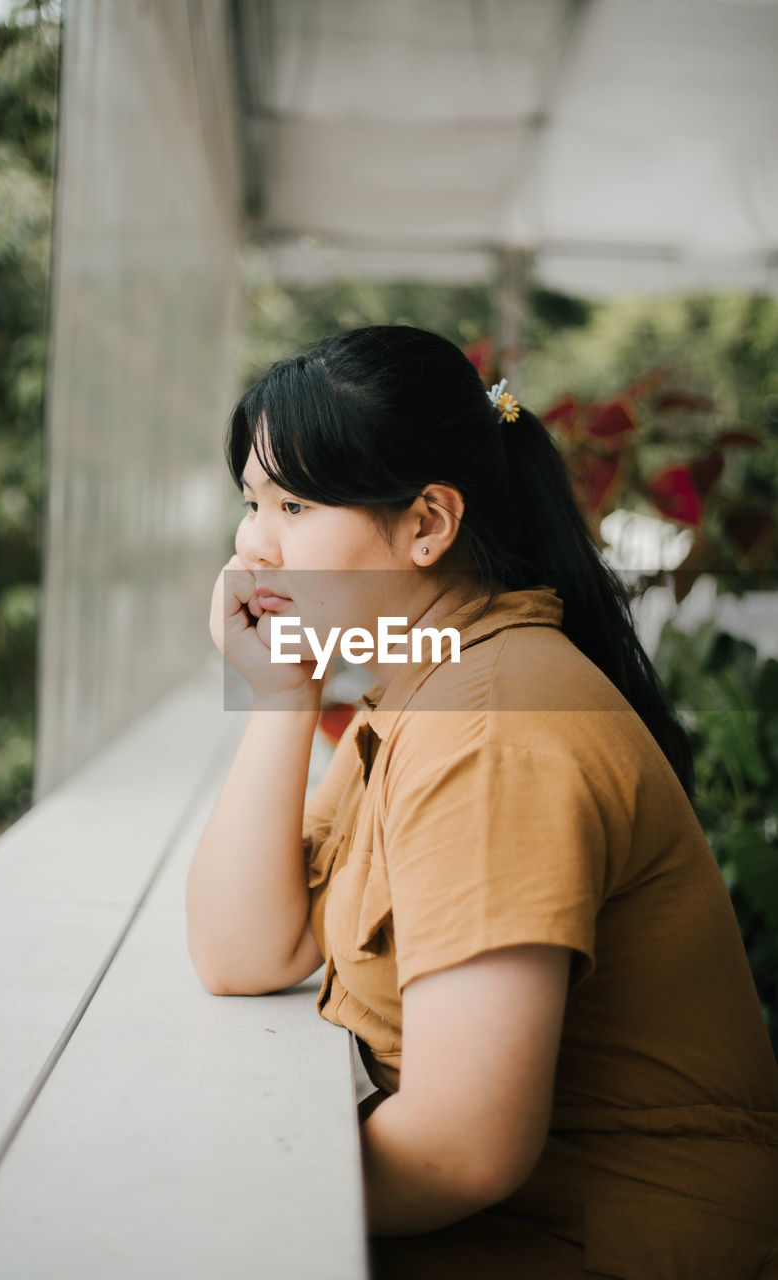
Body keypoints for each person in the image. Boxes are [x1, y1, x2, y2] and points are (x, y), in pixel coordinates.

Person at [185, 324, 778, 1278]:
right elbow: (246, 950)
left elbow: (464, 1146)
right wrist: (283, 691)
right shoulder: (431, 678)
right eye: (252, 502)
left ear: (427, 524)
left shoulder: (491, 725)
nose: (253, 544)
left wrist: (232, 1205)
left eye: (294, 503)